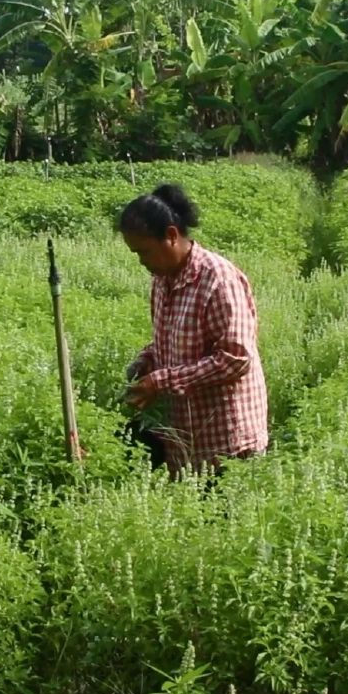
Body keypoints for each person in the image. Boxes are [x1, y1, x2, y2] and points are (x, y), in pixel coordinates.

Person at [117, 183, 269, 481]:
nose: (141, 261)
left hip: (227, 442)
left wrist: (161, 382)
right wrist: (144, 363)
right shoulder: (163, 280)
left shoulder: (218, 279)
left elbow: (236, 358)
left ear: (171, 236)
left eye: (144, 251)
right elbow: (172, 340)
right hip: (187, 437)